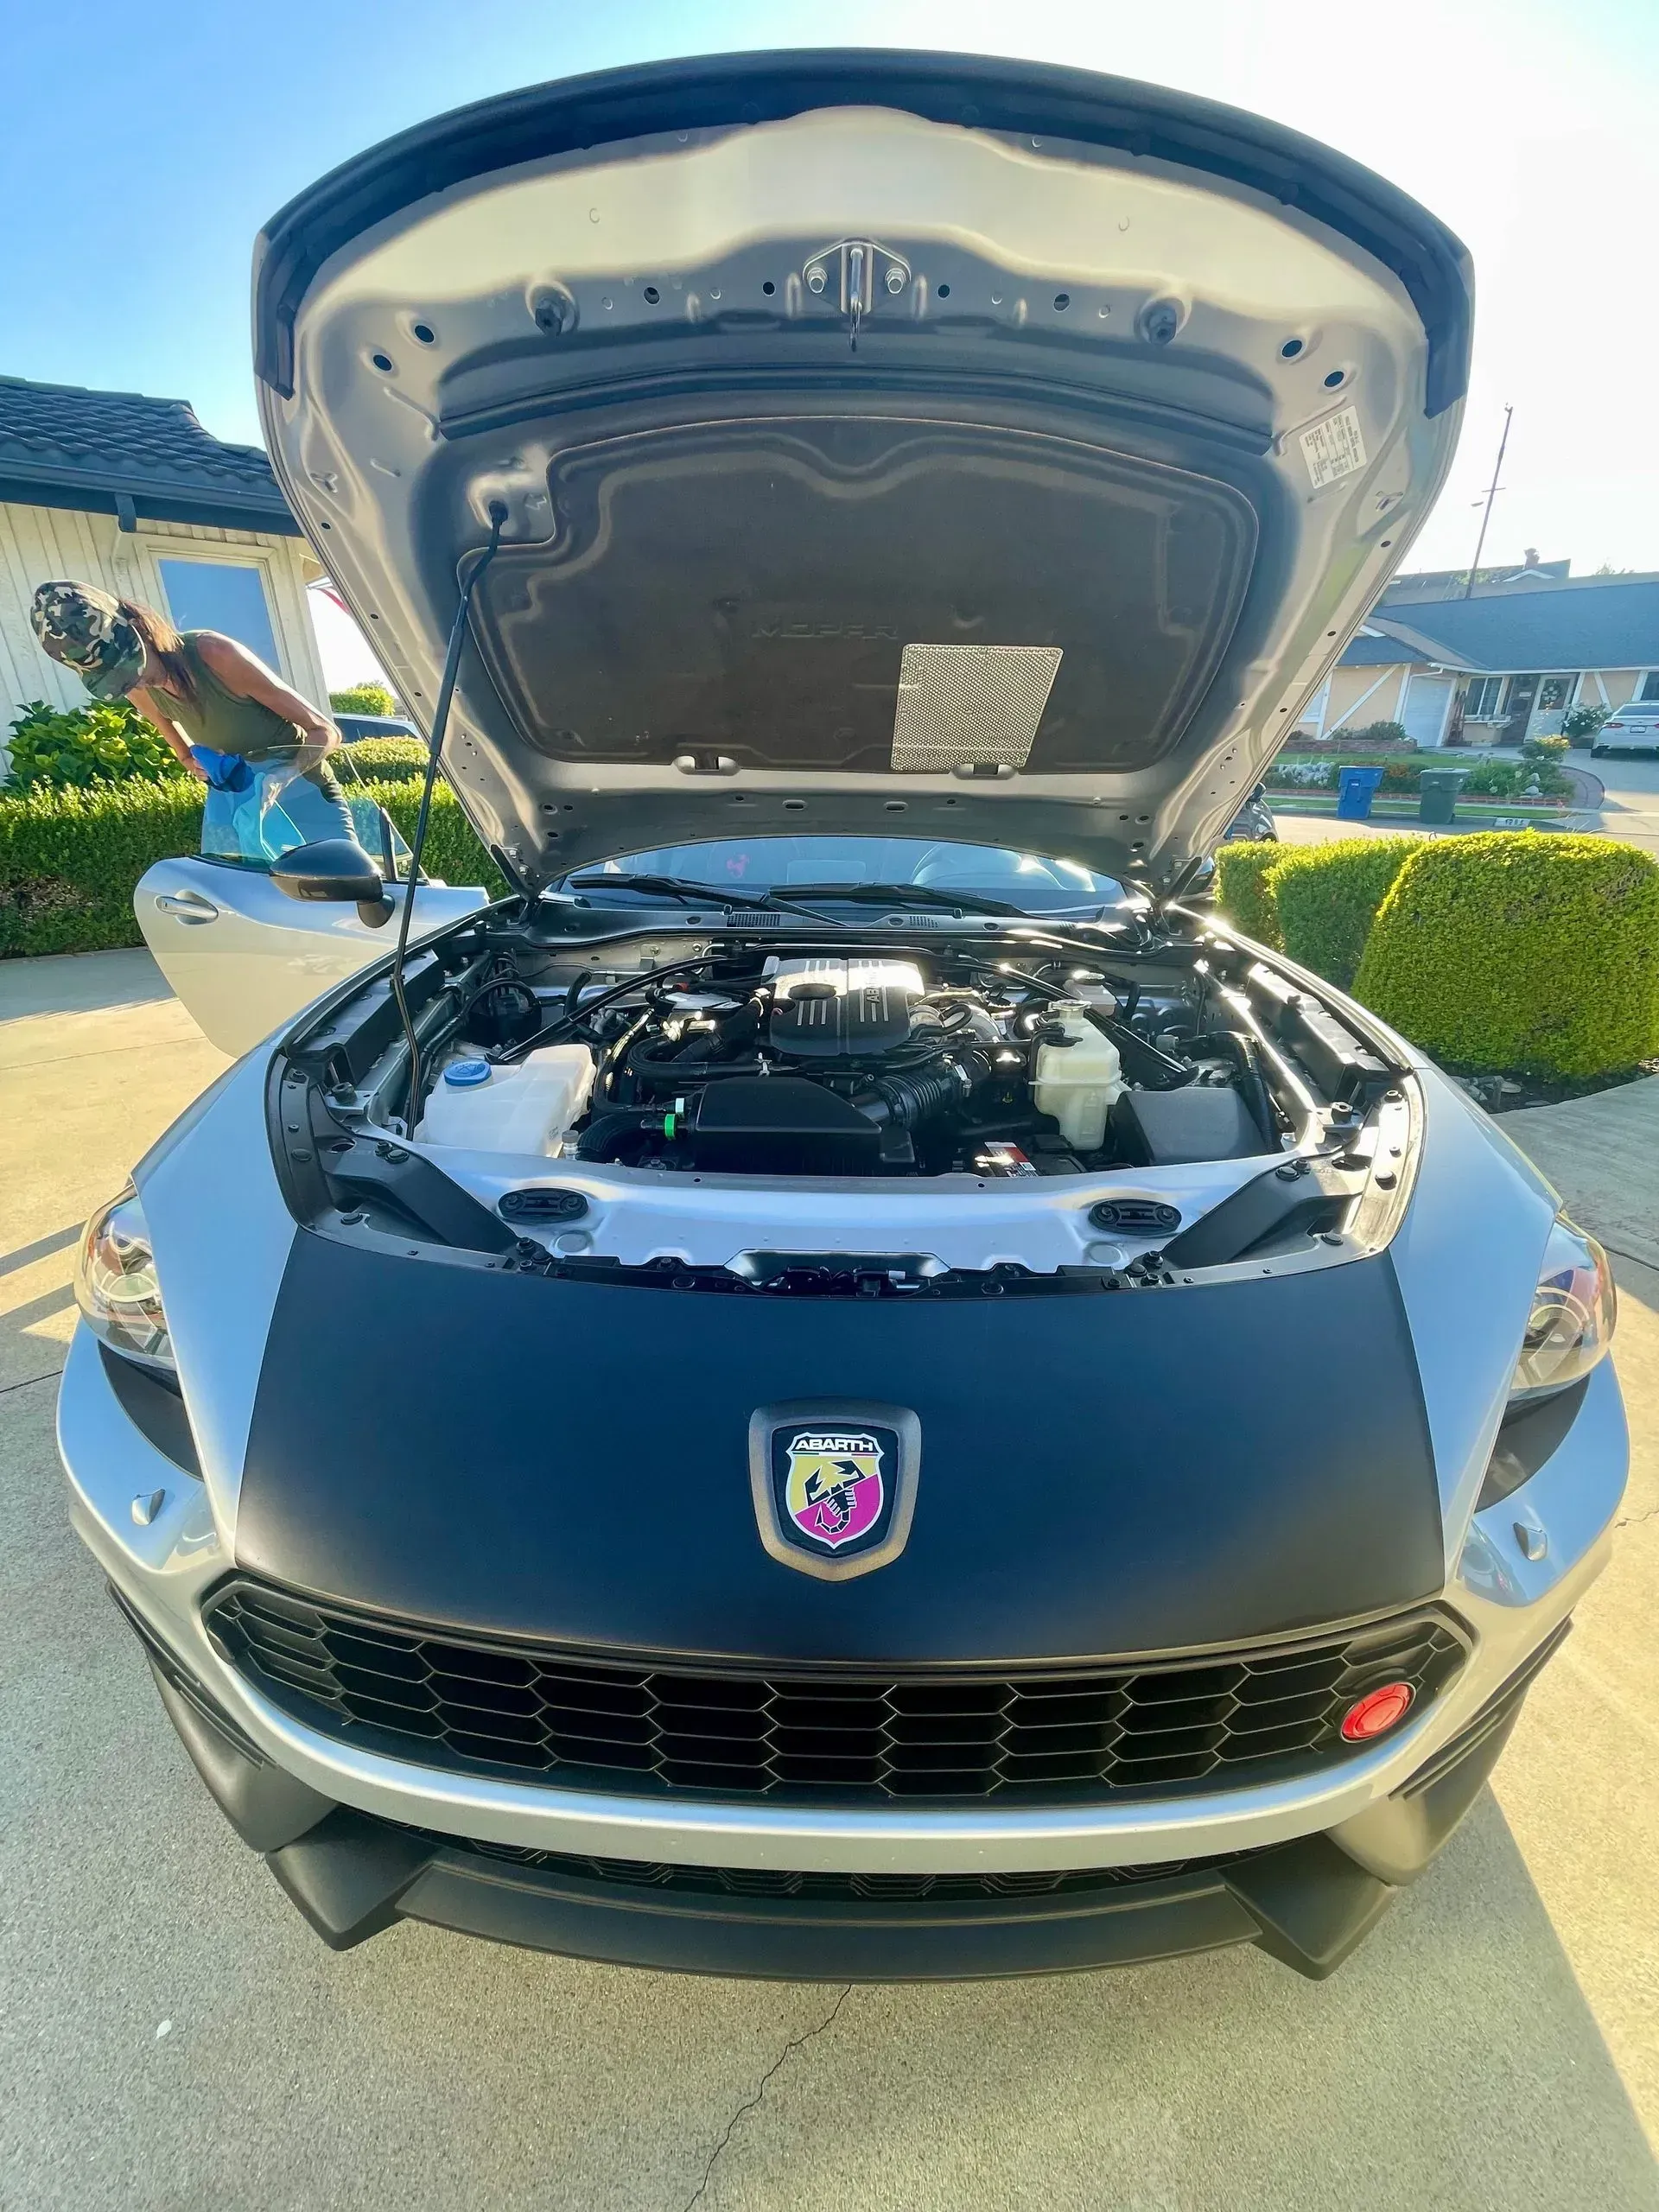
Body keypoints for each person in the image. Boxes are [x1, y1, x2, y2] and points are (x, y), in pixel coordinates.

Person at [29, 580, 359, 860]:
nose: (134, 682)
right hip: (248, 810)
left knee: (350, 901)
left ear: (139, 630)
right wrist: (199, 765)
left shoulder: (214, 655)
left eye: (130, 666)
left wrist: (281, 775)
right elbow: (183, 753)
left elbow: (325, 731)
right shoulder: (133, 686)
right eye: (116, 677)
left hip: (311, 798)